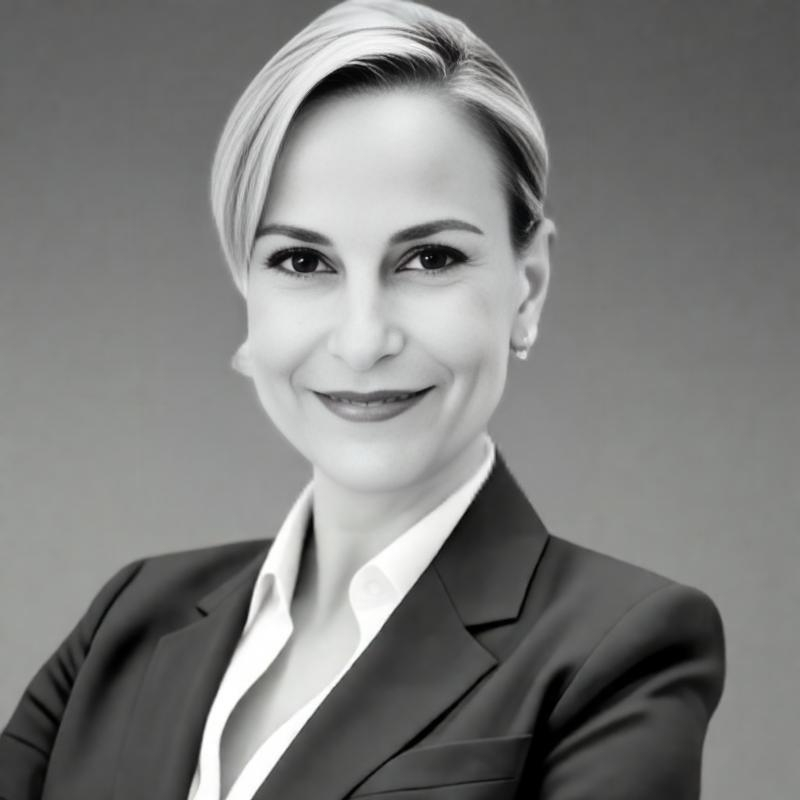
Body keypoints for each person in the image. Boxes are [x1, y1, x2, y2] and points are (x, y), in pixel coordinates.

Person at [0, 1, 726, 798]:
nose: (361, 339)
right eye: (302, 262)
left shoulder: (620, 651)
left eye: (430, 258)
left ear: (528, 288)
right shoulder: (130, 619)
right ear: (248, 290)